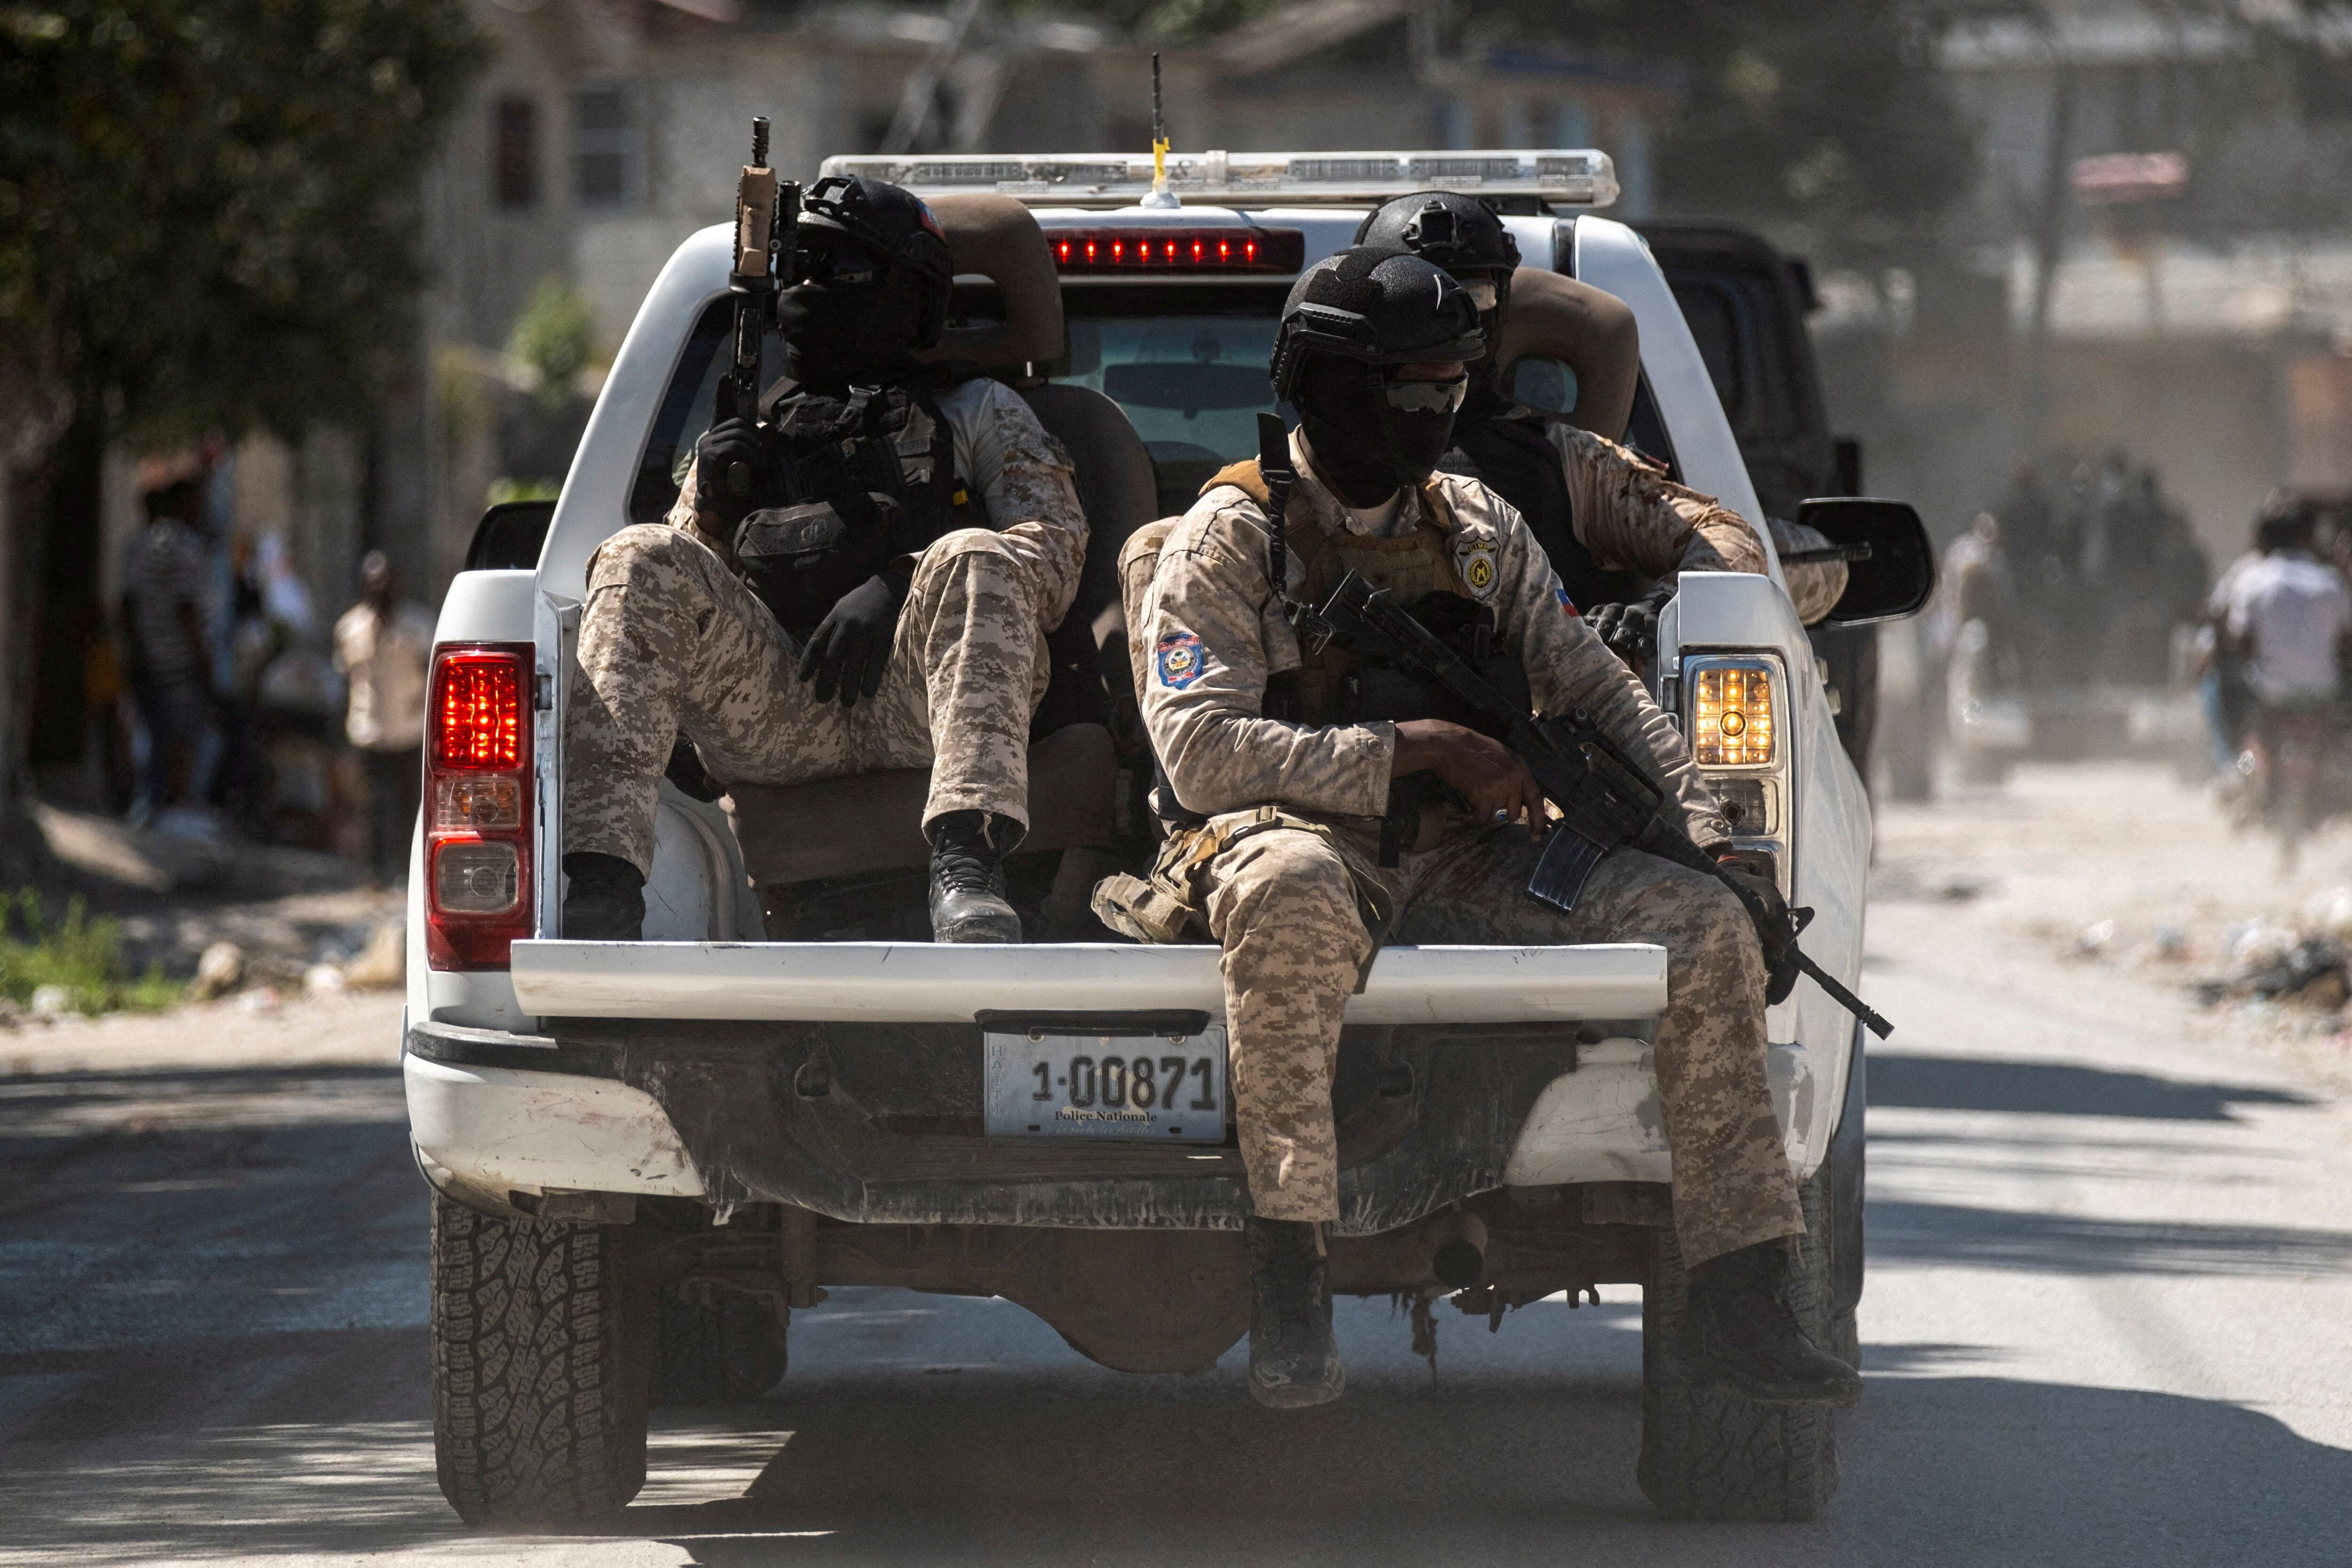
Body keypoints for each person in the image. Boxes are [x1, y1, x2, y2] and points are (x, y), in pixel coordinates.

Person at [1109, 248, 1859, 1412]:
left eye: (1450, 384)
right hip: (1296, 836)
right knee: (1287, 892)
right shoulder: (1232, 534)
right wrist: (1408, 750)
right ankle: (1290, 1272)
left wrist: (1714, 844)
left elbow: (1602, 692)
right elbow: (1198, 754)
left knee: (1702, 926)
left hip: (1461, 854)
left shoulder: (1475, 523)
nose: (1435, 411)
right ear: (1329, 384)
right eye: (1408, 387)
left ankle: (1741, 1290)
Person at [562, 175, 1086, 942]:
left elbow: (1055, 554)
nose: (812, 287)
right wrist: (711, 505)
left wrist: (898, 581)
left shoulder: (976, 410)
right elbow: (672, 598)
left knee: (978, 552)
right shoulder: (751, 427)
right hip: (780, 711)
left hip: (920, 706)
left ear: (909, 296)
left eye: (841, 271)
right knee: (641, 555)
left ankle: (968, 867)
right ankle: (604, 889)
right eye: (801, 268)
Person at [1350, 191, 1847, 656]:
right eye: (1416, 299)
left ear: (1503, 303)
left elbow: (1725, 542)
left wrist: (1655, 612)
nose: (1449, 319)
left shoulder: (1564, 461)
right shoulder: (1315, 453)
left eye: (1473, 295)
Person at [119, 478, 219, 826]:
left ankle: (153, 807)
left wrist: (135, 648)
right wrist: (202, 657)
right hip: (176, 660)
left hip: (149, 657)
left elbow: (128, 603)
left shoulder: (141, 544)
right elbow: (185, 606)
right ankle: (171, 810)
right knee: (180, 735)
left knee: (156, 735)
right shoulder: (179, 544)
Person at [333, 550, 436, 883]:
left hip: (408, 727)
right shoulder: (350, 627)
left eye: (386, 583)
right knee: (373, 803)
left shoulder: (419, 626)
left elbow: (430, 670)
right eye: (374, 584)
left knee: (409, 804)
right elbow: (347, 674)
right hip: (369, 728)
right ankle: (375, 872)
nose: (381, 590)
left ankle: (408, 871)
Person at [2219, 497, 2351, 711]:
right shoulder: (2332, 582)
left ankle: (2232, 743)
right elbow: (2346, 639)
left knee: (2219, 677)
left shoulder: (2252, 579)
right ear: (2309, 537)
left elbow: (2238, 642)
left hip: (2270, 694)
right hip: (2326, 691)